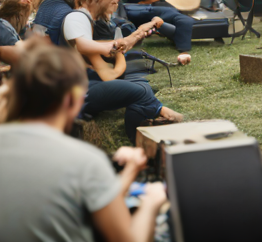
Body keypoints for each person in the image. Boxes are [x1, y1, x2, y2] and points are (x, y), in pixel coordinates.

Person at [0, 42, 167, 242]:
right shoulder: (85, 162)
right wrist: (152, 201)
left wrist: (130, 171)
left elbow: (86, 198)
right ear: (73, 100)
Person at [62, 0, 183, 143]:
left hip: (86, 86)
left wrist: (125, 43)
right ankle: (139, 136)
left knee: (143, 86)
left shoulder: (89, 21)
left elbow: (107, 67)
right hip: (78, 92)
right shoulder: (77, 17)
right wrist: (125, 42)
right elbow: (84, 46)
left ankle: (147, 125)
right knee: (141, 91)